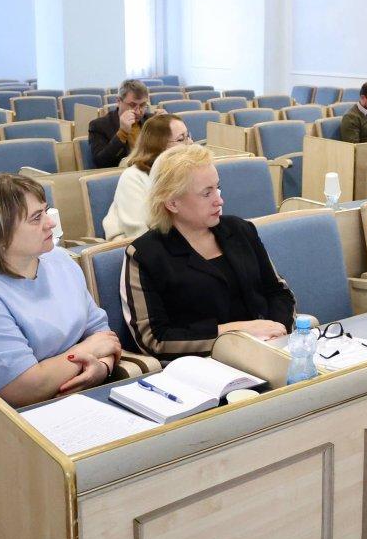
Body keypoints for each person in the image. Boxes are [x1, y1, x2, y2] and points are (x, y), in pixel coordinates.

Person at [0, 174, 121, 500]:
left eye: (46, 211)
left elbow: (104, 335)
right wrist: (89, 351)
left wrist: (100, 368)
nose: (50, 223)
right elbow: (24, 388)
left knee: (141, 458)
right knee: (87, 487)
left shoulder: (59, 261)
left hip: (67, 409)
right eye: (36, 218)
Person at [120, 144, 295, 361]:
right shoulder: (144, 255)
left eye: (217, 188)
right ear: (172, 203)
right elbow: (154, 339)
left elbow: (278, 292)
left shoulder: (240, 230)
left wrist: (277, 330)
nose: (219, 200)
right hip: (202, 366)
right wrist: (236, 331)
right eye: (207, 193)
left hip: (270, 350)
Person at [102, 114, 193, 240]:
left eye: (188, 136)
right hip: (131, 244)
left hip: (173, 240)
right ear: (159, 146)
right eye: (181, 139)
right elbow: (138, 233)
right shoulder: (133, 177)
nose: (190, 143)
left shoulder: (185, 172)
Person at [89, 80, 154, 169]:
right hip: (120, 174)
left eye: (142, 105)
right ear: (119, 101)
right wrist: (122, 133)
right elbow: (101, 163)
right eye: (132, 105)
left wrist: (167, 127)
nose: (138, 112)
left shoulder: (151, 120)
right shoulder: (99, 125)